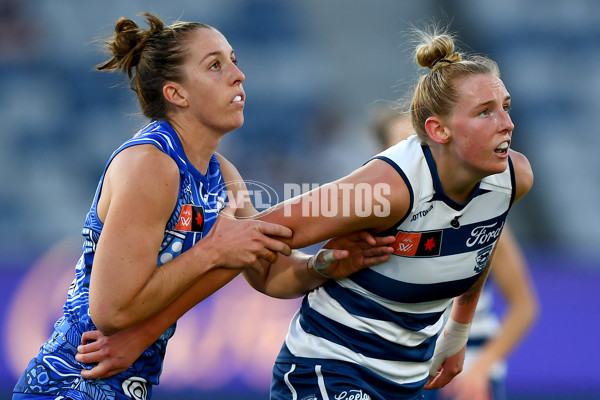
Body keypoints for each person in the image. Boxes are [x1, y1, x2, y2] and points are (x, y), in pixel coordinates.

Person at [75, 24, 535, 400]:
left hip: (403, 378)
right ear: (437, 130)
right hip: (329, 369)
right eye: (486, 112)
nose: (508, 123)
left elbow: (475, 243)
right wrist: (145, 331)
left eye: (507, 108)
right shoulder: (386, 189)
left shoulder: (511, 178)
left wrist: (456, 336)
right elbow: (252, 241)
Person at [12, 13, 395, 400]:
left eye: (234, 59)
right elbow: (111, 311)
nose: (238, 75)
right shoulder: (151, 163)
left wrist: (325, 264)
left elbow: (268, 272)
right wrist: (212, 251)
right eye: (215, 65)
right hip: (72, 382)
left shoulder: (222, 173)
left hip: (123, 383)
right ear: (176, 94)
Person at [370, 106, 539, 400]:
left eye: (424, 148)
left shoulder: (484, 214)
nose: (419, 160)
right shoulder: (373, 220)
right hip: (400, 370)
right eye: (404, 149)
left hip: (466, 375)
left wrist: (482, 367)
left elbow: (524, 306)